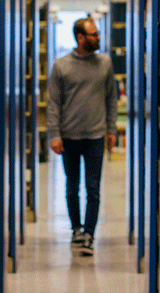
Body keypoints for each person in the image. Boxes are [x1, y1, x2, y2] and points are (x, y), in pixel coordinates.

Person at [47, 17, 118, 256]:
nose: (99, 38)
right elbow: (54, 104)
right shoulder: (60, 66)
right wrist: (54, 134)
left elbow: (111, 98)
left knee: (93, 187)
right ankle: (76, 229)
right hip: (69, 136)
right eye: (94, 34)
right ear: (80, 37)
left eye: (97, 34)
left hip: (96, 136)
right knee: (71, 186)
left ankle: (89, 234)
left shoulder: (105, 63)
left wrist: (111, 129)